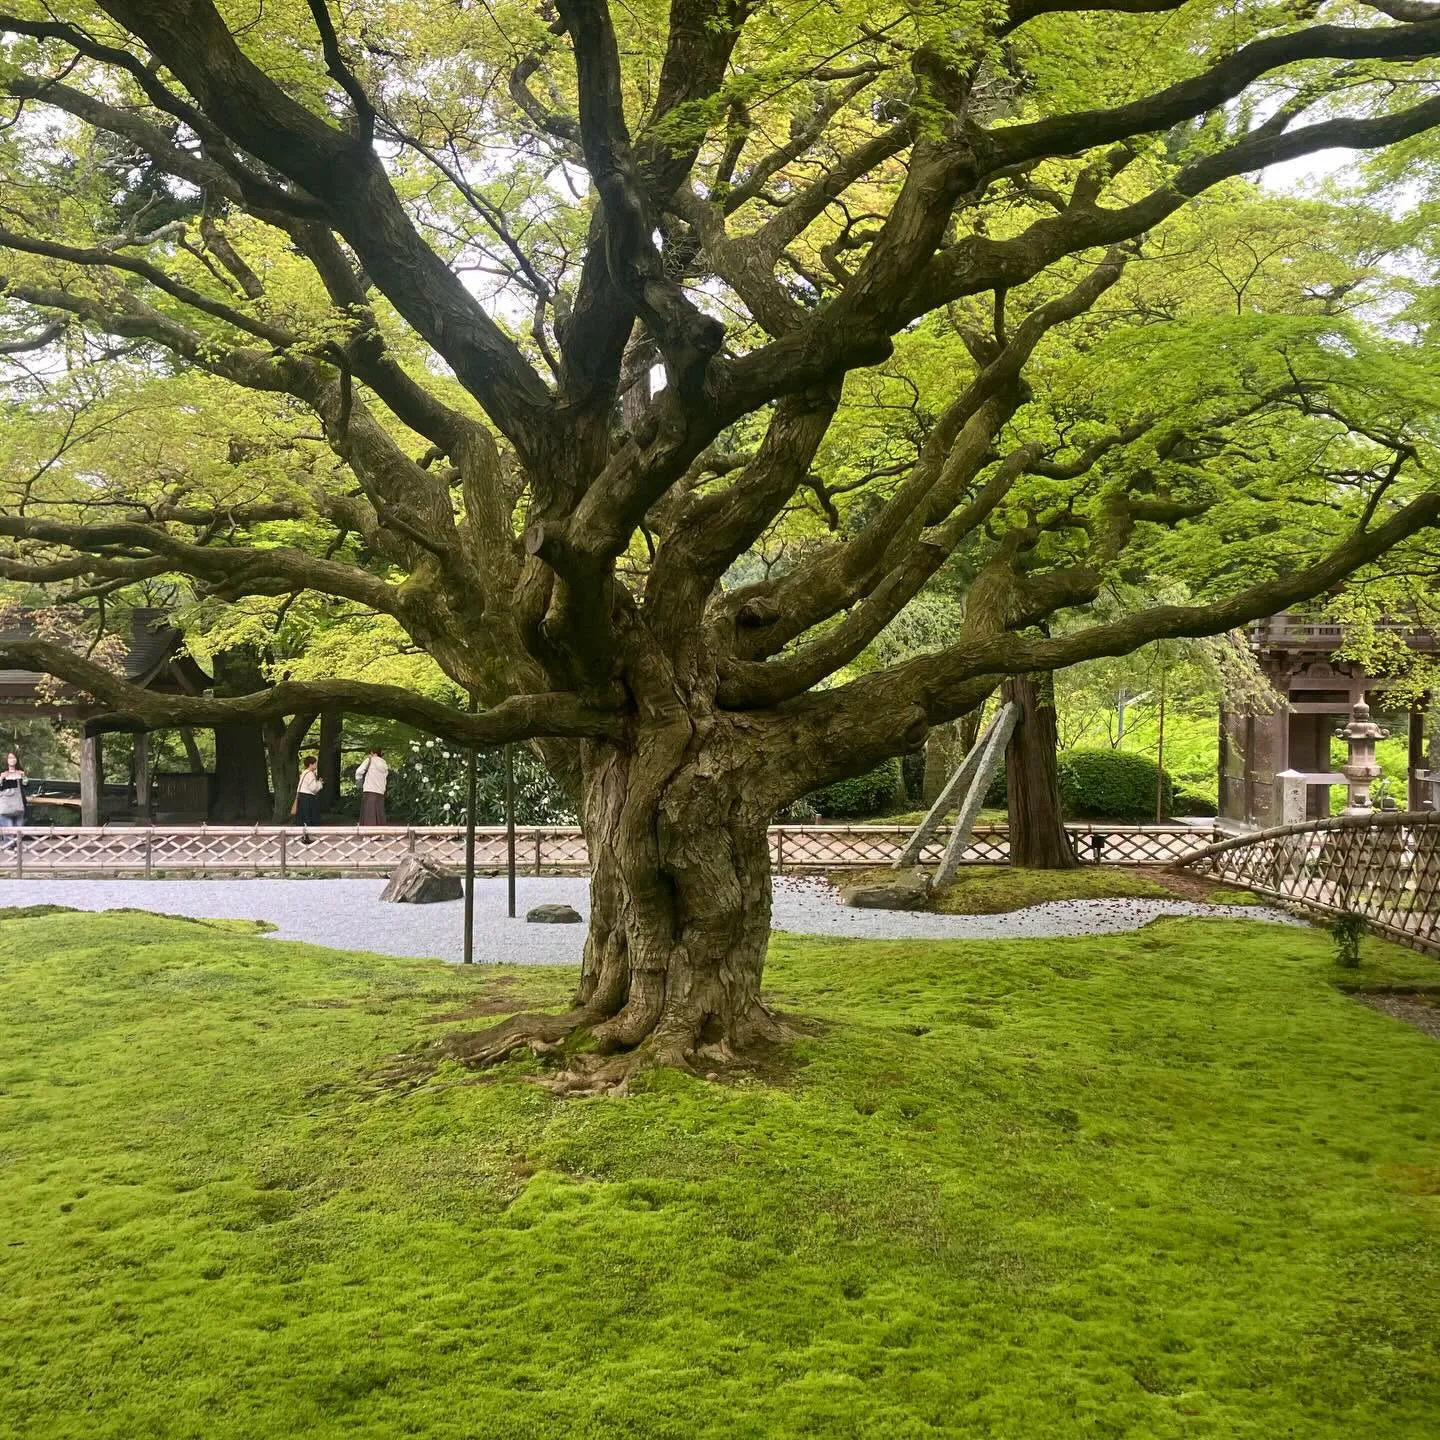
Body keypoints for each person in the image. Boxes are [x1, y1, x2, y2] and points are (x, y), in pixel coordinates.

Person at [356, 746, 389, 826]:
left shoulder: (369, 760)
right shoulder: (384, 763)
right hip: (380, 791)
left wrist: (359, 782)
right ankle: (380, 832)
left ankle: (368, 832)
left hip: (369, 790)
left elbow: (359, 771)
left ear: (372, 752)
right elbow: (385, 777)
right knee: (379, 814)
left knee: (369, 814)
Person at [293, 755, 323, 842]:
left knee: (303, 817)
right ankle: (307, 836)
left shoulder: (304, 773)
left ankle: (304, 836)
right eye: (315, 763)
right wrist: (320, 783)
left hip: (301, 796)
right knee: (309, 816)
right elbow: (313, 788)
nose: (316, 765)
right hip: (308, 798)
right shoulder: (310, 774)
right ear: (311, 764)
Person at [0, 751, 25, 829]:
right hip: (5, 807)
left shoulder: (21, 773)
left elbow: (26, 786)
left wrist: (24, 777)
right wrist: (1, 778)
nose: (12, 760)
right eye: (10, 758)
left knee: (19, 832)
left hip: (19, 806)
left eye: (14, 758)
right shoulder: (2, 773)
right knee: (9, 833)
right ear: (6, 760)